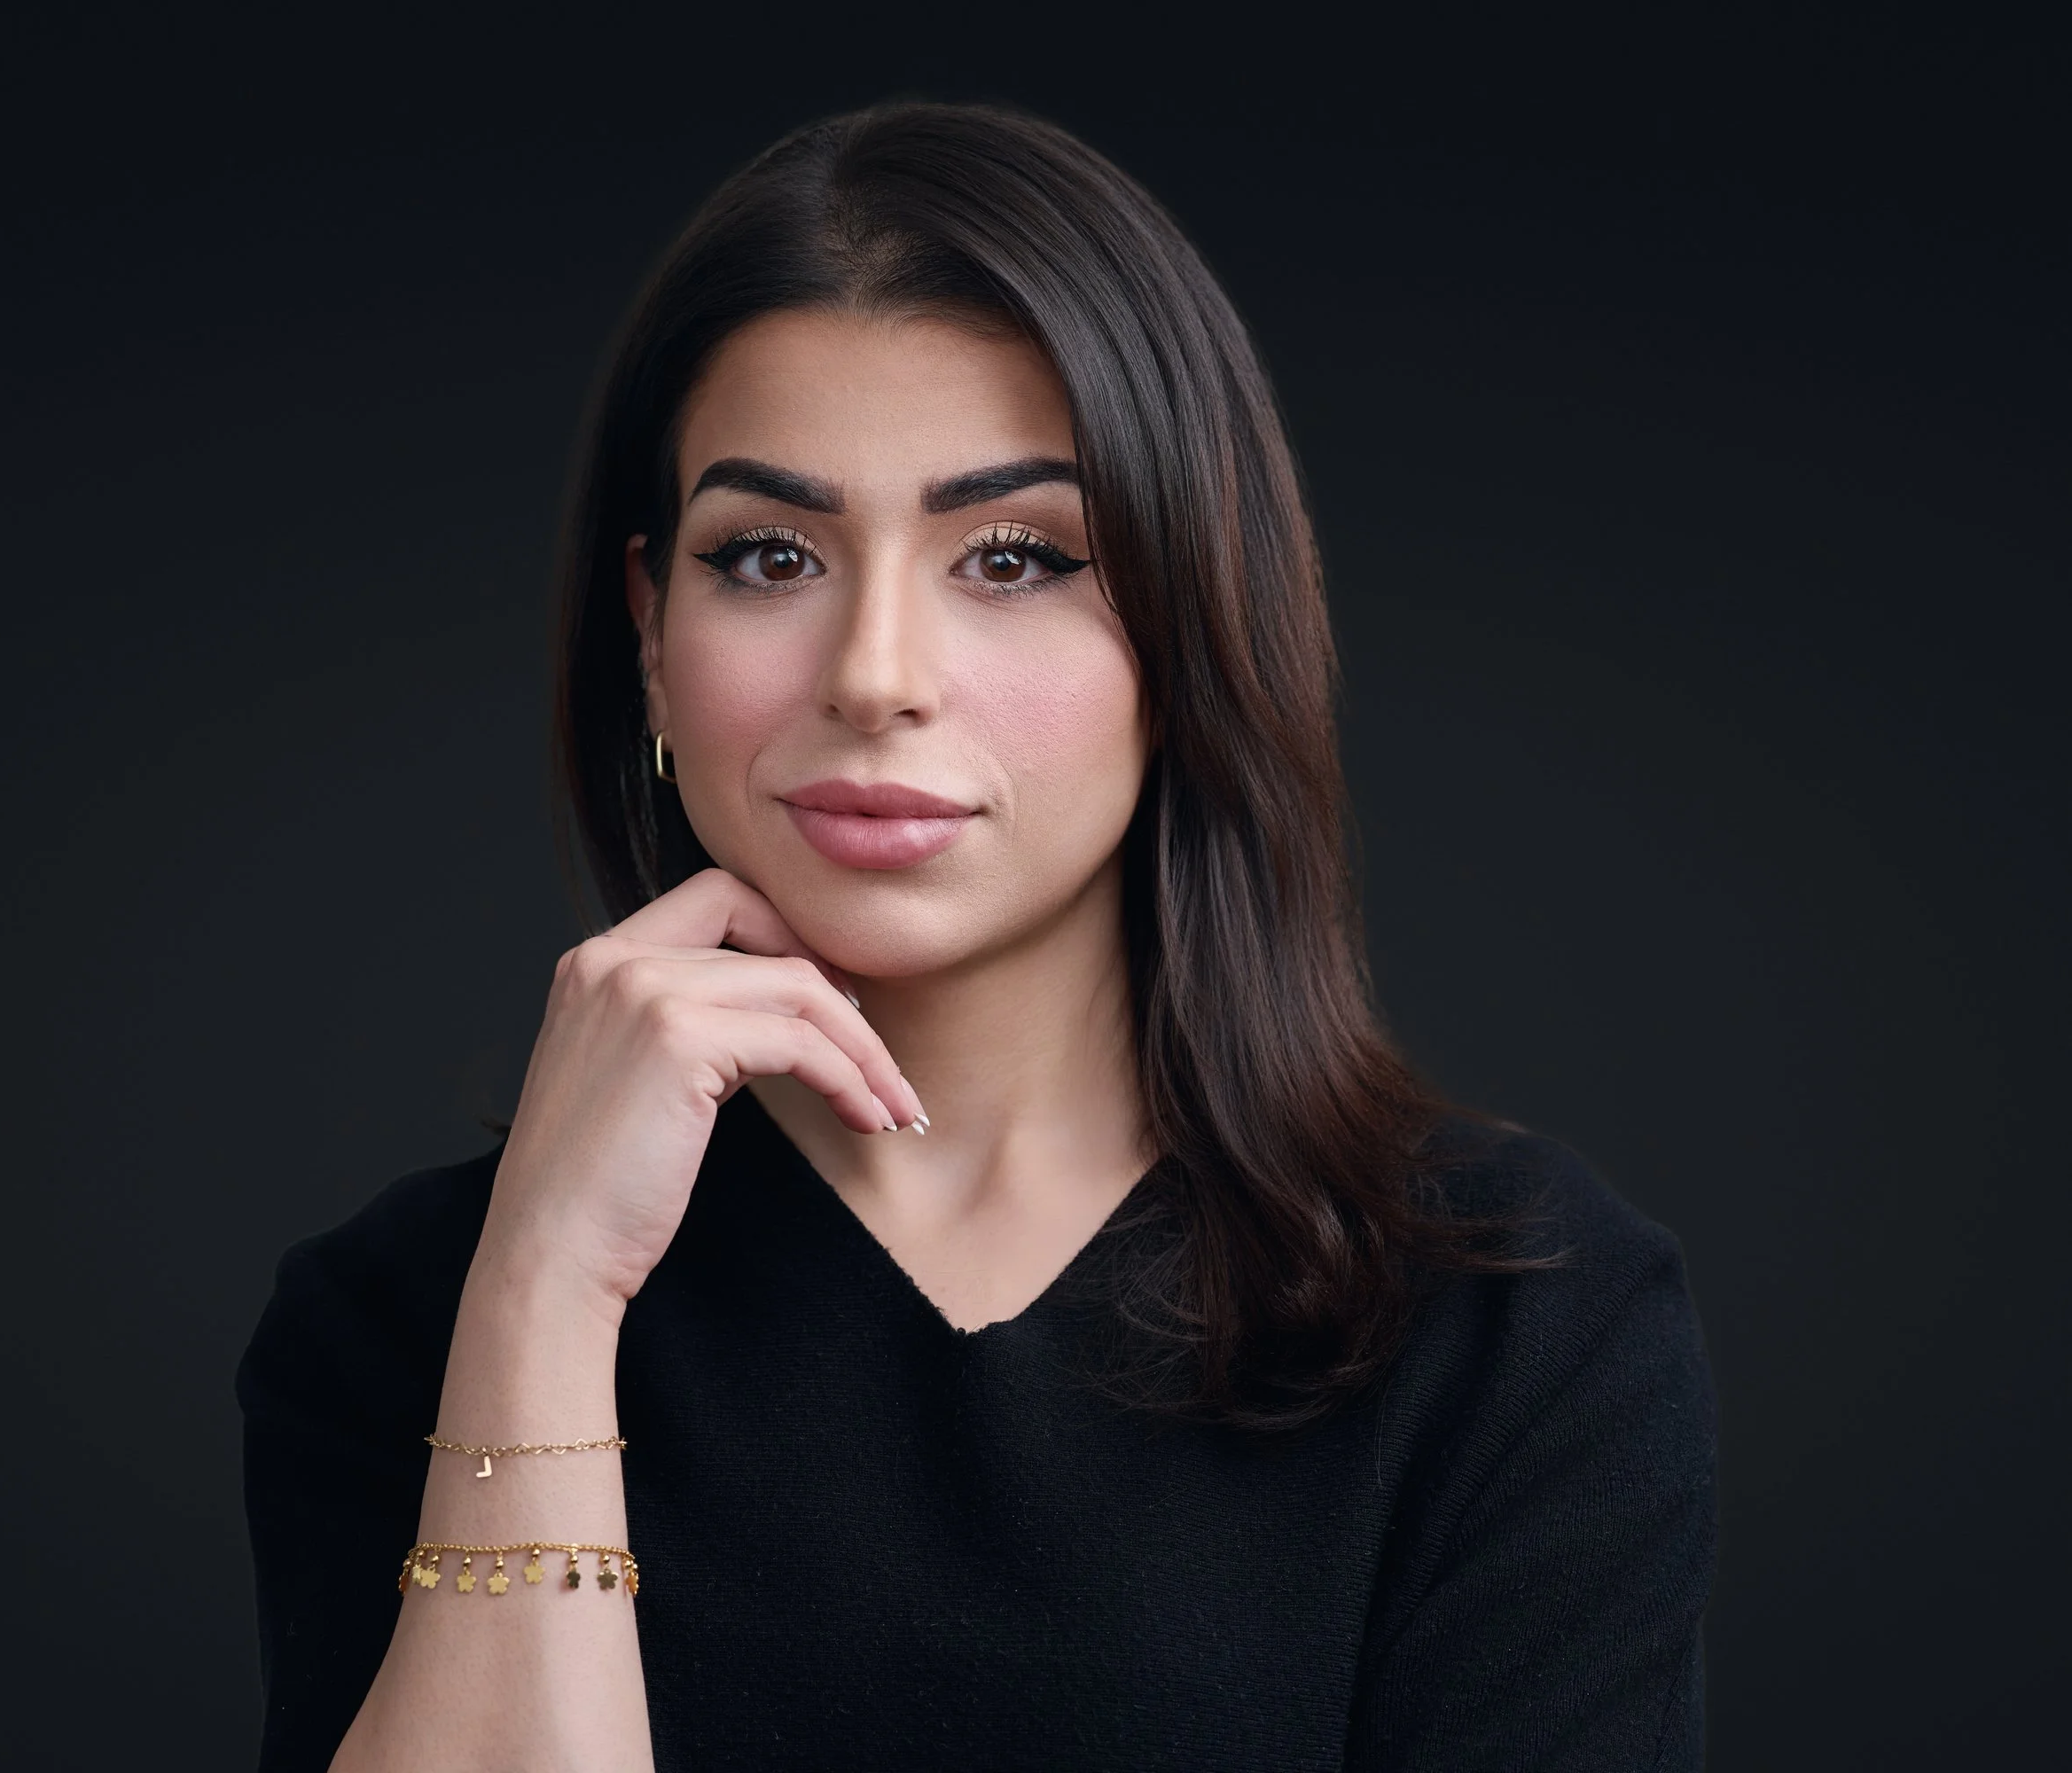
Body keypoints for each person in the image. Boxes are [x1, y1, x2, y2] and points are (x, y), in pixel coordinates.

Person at [238, 101, 1715, 1771]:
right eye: (771, 554)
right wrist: (544, 1305)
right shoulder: (413, 1317)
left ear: (1195, 618)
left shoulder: (1510, 1316)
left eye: (1014, 556)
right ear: (651, 631)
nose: (875, 673)